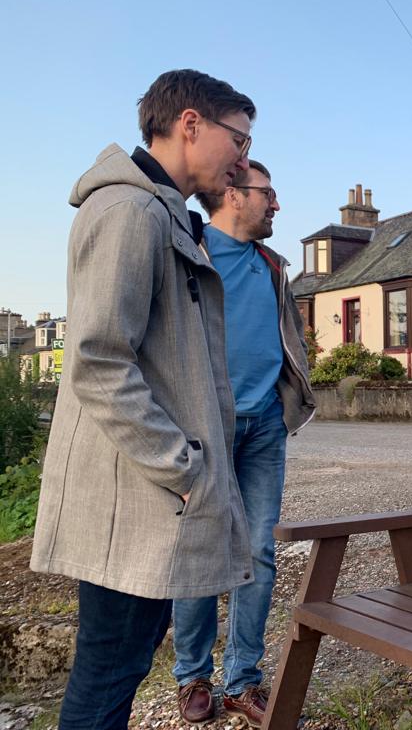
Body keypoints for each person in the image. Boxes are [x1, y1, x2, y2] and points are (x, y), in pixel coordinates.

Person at [30, 70, 256, 729]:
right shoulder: (130, 212)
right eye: (238, 139)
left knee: (119, 667)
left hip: (146, 496)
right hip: (137, 496)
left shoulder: (158, 212)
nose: (243, 161)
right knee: (108, 674)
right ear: (190, 124)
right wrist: (182, 466)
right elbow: (99, 359)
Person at [173, 160, 315, 726]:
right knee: (201, 549)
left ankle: (242, 681)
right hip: (204, 430)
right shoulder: (187, 250)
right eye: (267, 193)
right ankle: (192, 676)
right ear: (232, 194)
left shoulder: (272, 265)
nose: (276, 204)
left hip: (264, 429)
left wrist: (291, 396)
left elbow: (290, 336)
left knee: (259, 550)